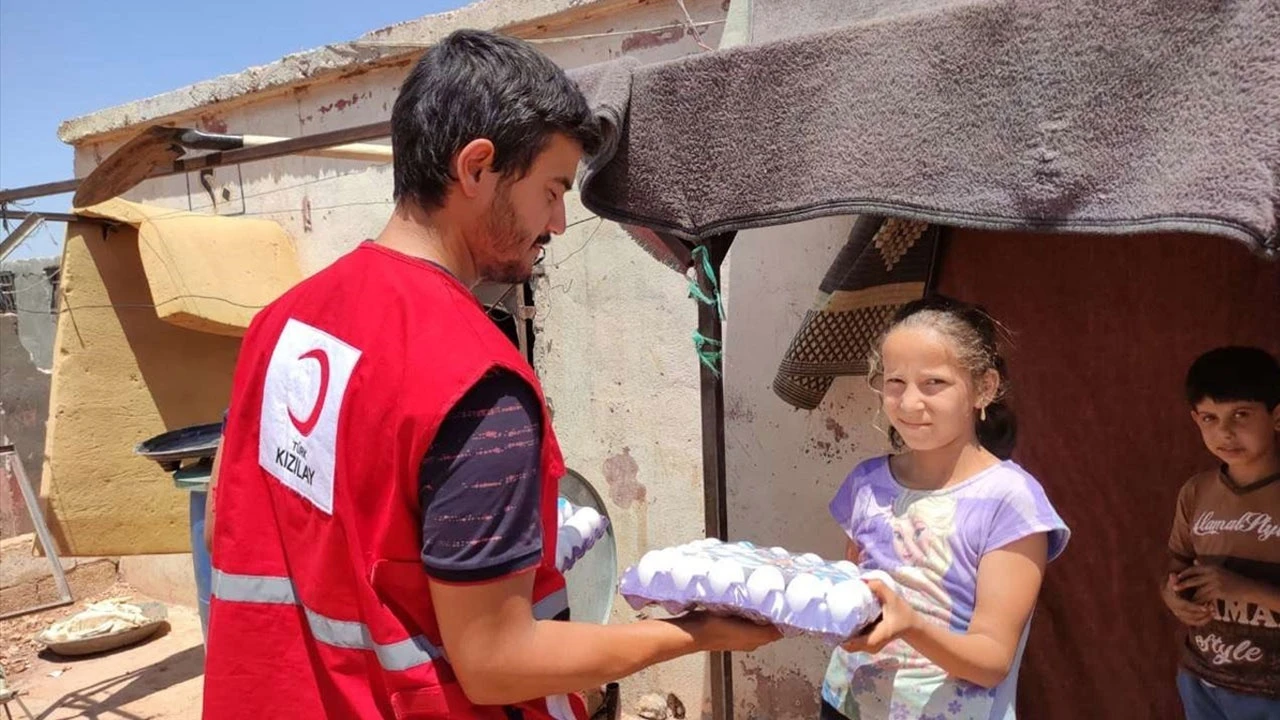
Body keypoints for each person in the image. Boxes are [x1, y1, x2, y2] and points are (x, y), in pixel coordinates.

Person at [202, 29, 778, 720]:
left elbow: (232, 528)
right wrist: (689, 634)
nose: (560, 223)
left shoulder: (280, 325)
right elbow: (496, 665)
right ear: (476, 168)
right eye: (552, 190)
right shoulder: (474, 382)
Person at [820, 296, 1070, 720]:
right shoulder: (866, 484)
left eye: (934, 383)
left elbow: (991, 660)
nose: (910, 402)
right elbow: (856, 592)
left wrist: (911, 625)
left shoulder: (1010, 501)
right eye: (895, 382)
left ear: (984, 388)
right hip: (846, 702)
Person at [1162, 346, 1280, 719]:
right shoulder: (1196, 492)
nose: (1224, 432)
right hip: (1203, 679)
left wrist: (1242, 588)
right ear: (1195, 419)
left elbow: (1235, 587)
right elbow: (1176, 562)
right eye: (1210, 418)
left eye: (1240, 415)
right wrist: (1172, 594)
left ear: (1277, 416)